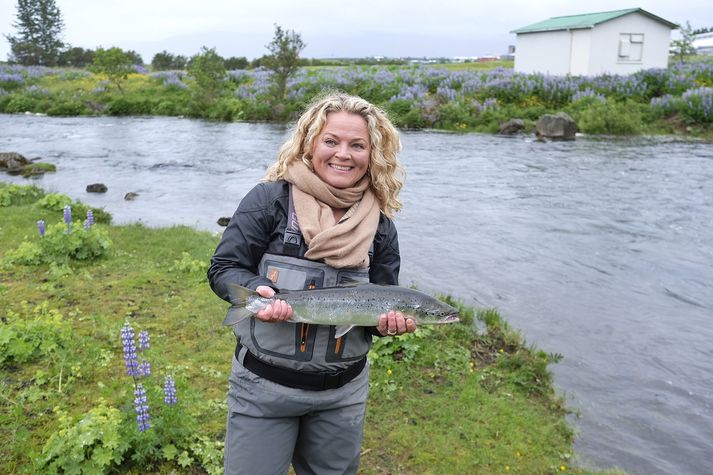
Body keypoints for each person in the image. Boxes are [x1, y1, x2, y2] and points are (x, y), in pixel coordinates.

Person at [208, 91, 415, 475]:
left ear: (373, 155)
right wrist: (258, 293)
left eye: (357, 145)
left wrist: (391, 327)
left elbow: (383, 301)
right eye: (331, 141)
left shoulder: (381, 228)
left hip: (343, 396)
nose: (343, 154)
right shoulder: (269, 201)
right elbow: (224, 267)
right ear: (309, 144)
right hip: (262, 389)